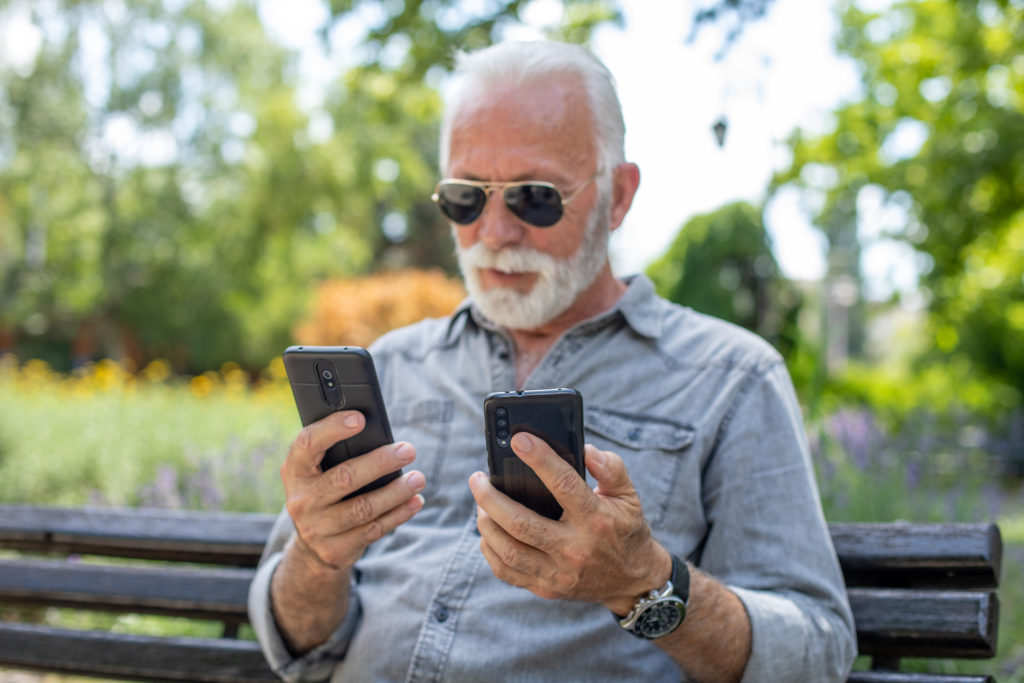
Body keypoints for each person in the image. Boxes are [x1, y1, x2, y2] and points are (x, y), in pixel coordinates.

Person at [248, 40, 856, 682]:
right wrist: (316, 558)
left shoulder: (731, 378)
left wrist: (647, 584)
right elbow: (296, 646)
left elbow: (815, 652)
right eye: (466, 197)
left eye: (534, 198)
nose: (495, 232)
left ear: (619, 196)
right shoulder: (393, 365)